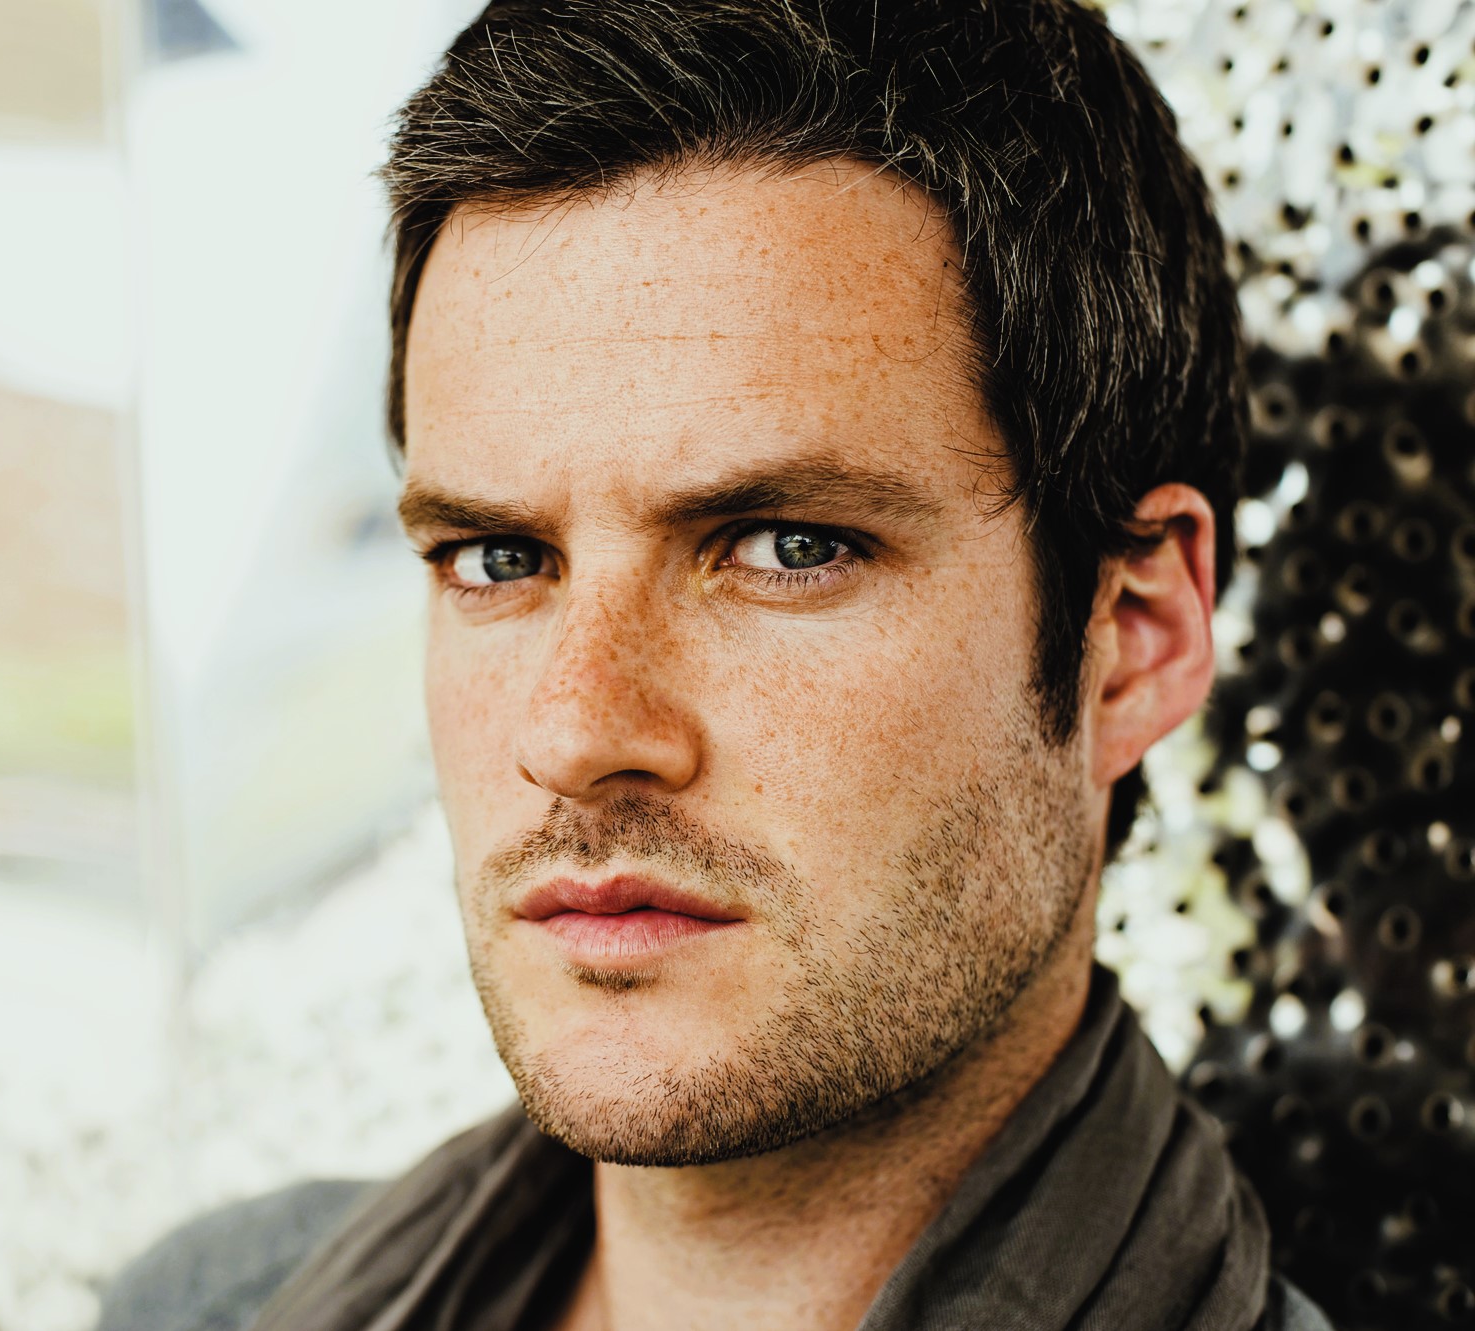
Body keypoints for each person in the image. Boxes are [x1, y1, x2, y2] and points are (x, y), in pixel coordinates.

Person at [104, 2, 1336, 1328]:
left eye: (784, 545)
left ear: (1132, 638)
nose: (576, 733)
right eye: (498, 559)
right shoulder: (214, 1304)